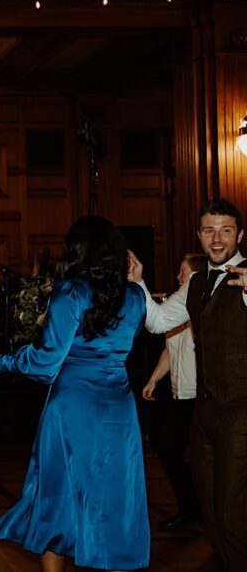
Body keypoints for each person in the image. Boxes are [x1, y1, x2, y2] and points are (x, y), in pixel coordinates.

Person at [0, 215, 149, 572]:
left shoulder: (71, 292)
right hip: (118, 408)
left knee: (57, 495)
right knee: (114, 496)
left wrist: (1, 362)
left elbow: (45, 363)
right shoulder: (135, 297)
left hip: (72, 408)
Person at [129, 197, 247, 571]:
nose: (217, 238)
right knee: (210, 510)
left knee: (231, 510)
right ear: (198, 235)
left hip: (242, 411)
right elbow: (158, 321)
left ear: (240, 234)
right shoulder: (196, 282)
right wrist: (138, 283)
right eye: (209, 230)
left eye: (225, 229)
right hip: (205, 411)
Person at [141, 252, 206, 531]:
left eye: (183, 271)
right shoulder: (177, 306)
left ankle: (200, 510)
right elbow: (169, 348)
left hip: (198, 395)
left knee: (189, 453)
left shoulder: (200, 304)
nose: (178, 276)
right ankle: (191, 508)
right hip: (180, 393)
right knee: (170, 450)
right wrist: (154, 379)